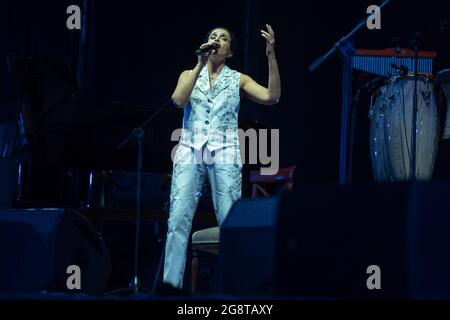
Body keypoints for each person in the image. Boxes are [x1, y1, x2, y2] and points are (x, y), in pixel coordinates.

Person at [162, 24, 281, 291]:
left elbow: (272, 97)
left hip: (225, 152)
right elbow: (177, 101)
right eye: (212, 37)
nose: (216, 40)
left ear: (229, 52)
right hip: (190, 150)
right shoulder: (189, 74)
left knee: (230, 221)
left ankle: (235, 289)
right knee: (178, 220)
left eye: (223, 38)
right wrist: (198, 65)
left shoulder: (238, 79)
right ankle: (169, 288)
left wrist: (271, 55)